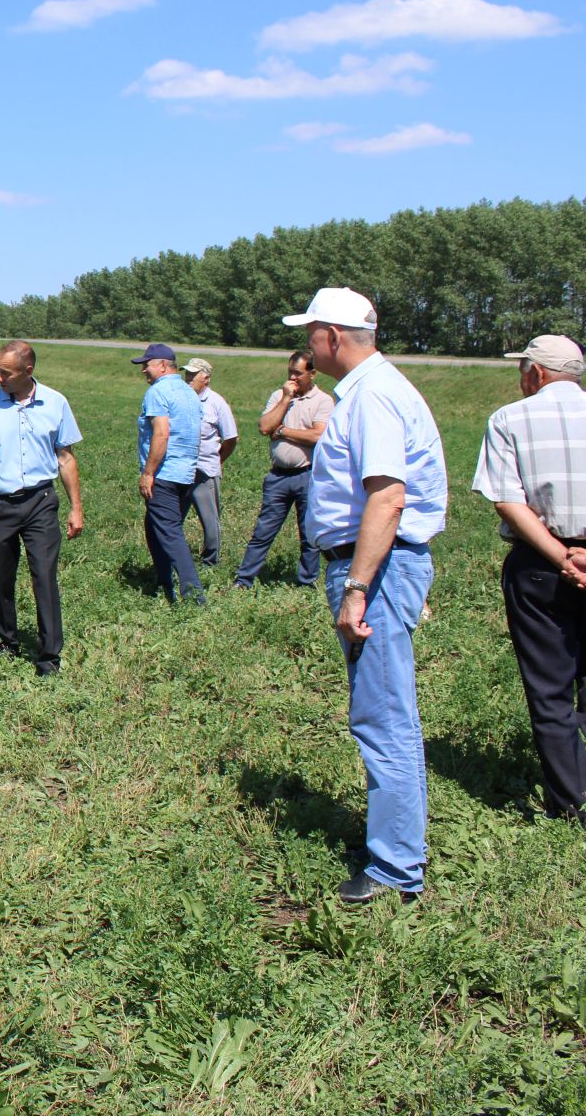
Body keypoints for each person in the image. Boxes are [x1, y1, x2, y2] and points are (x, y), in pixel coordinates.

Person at [285, 287, 447, 904]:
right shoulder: (375, 389)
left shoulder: (372, 396)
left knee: (383, 718)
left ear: (331, 335)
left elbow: (387, 496)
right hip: (380, 565)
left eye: (311, 334)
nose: (308, 345)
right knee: (382, 712)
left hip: (371, 568)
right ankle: (395, 853)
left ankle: (395, 869)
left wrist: (357, 588)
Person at [471, 334, 586, 829]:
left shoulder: (508, 419)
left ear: (536, 373)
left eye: (522, 369)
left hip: (541, 564)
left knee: (550, 688)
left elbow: (507, 501)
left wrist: (562, 555)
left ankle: (573, 804)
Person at [0, 340, 85, 676]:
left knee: (44, 577)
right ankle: (5, 643)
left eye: (5, 372)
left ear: (28, 371)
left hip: (40, 502)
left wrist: (75, 508)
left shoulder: (56, 403)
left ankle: (49, 657)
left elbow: (66, 458)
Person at [233, 351, 334, 589]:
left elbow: (318, 436)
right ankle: (244, 580)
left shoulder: (323, 401)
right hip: (278, 476)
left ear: (312, 373)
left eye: (298, 373)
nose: (292, 377)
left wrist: (284, 431)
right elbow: (265, 426)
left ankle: (306, 583)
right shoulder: (279, 396)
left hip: (308, 475)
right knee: (263, 531)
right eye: (290, 372)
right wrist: (286, 399)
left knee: (309, 533)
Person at [133, 343, 205, 603]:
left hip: (164, 474)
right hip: (187, 474)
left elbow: (161, 434)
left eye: (147, 364)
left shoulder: (158, 391)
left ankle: (194, 596)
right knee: (154, 527)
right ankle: (162, 581)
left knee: (171, 533)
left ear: (163, 365)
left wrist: (148, 473)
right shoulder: (189, 393)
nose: (143, 370)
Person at [182, 357, 237, 568]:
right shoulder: (183, 400)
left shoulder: (216, 403)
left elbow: (231, 438)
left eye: (192, 375)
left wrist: (217, 459)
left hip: (205, 470)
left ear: (205, 378)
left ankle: (210, 562)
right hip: (182, 469)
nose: (187, 379)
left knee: (209, 520)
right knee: (174, 516)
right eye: (186, 374)